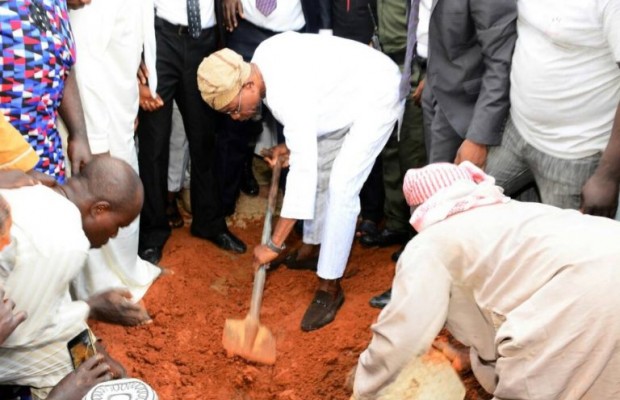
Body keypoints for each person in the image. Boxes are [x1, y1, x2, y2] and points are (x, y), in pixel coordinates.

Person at [352, 161, 620, 399]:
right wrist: (470, 358)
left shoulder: (431, 243)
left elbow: (402, 334)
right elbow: (506, 297)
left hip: (583, 294)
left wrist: (366, 385)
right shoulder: (518, 213)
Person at [198, 32, 403, 331]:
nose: (235, 117)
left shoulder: (283, 95)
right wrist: (292, 147)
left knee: (342, 185)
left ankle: (330, 286)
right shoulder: (262, 58)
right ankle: (313, 247)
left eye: (233, 108)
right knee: (320, 166)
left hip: (378, 93)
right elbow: (312, 108)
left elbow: (302, 176)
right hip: (344, 94)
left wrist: (274, 244)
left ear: (249, 84)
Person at [0, 156, 143, 398]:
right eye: (118, 225)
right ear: (100, 209)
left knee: (83, 359)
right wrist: (90, 308)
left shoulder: (37, 192)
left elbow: (50, 302)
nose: (114, 235)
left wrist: (92, 347)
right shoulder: (68, 239)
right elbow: (19, 330)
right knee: (68, 371)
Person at [67, 0, 161, 322]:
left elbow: (127, 45)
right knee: (102, 205)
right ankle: (97, 293)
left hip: (120, 109)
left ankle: (121, 276)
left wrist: (132, 98)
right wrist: (97, 139)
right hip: (97, 124)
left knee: (123, 204)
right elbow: (82, 63)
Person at [485, 0, 620, 219]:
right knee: (467, 204)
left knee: (567, 248)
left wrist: (608, 175)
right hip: (514, 132)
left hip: (574, 155)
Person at [136, 0, 246, 266]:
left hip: (205, 44)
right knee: (154, 143)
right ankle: (152, 233)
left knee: (205, 138)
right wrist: (137, 55)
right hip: (161, 43)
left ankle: (209, 222)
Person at [0, 0, 92, 183]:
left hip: (47, 163)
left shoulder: (55, 4)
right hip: (7, 173)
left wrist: (78, 134)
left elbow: (62, 64)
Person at [421, 0, 517, 166]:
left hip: (468, 113)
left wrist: (478, 139)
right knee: (435, 184)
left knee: (450, 188)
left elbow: (502, 62)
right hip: (437, 93)